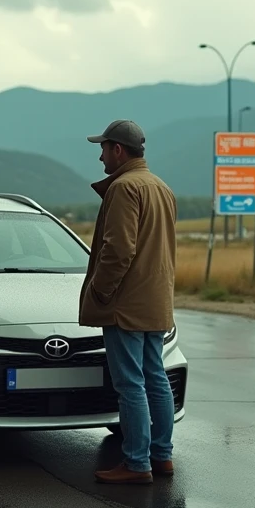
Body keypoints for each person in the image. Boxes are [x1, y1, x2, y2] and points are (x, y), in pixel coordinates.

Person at [79, 119, 178, 485]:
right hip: (154, 299)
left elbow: (118, 250)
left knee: (130, 384)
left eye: (103, 148)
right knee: (156, 379)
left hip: (125, 303)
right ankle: (162, 457)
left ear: (118, 150)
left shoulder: (124, 188)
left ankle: (137, 463)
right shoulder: (160, 187)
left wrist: (102, 292)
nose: (101, 155)